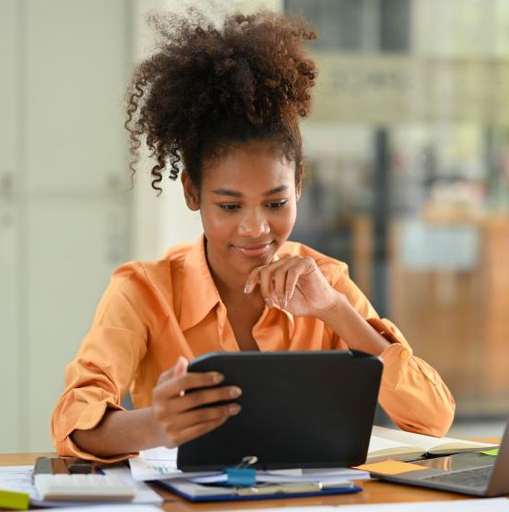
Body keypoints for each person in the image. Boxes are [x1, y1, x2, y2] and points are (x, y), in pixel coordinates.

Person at [52, 9, 455, 463]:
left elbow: (432, 418)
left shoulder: (325, 281)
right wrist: (153, 425)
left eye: (276, 203)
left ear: (299, 185)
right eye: (229, 206)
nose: (256, 228)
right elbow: (73, 419)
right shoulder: (144, 291)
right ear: (191, 192)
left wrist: (337, 312)